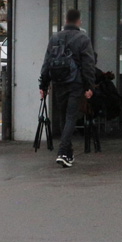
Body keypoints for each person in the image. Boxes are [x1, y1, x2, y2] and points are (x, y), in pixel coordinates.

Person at [38, 9, 96, 168]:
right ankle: (63, 151)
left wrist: (43, 84)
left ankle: (68, 154)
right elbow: (88, 65)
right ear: (79, 21)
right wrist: (89, 86)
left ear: (65, 20)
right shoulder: (83, 39)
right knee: (71, 116)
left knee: (64, 116)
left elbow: (47, 62)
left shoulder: (55, 38)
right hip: (75, 83)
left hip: (58, 83)